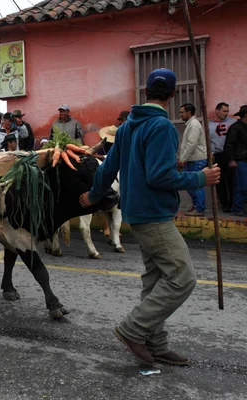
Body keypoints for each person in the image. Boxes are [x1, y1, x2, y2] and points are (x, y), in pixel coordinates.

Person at [79, 68, 220, 367]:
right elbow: (160, 175)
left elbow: (107, 167)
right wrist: (200, 178)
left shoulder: (128, 126)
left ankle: (156, 344)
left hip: (137, 213)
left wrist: (93, 194)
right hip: (154, 214)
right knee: (183, 279)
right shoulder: (162, 126)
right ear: (172, 96)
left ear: (146, 92)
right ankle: (133, 330)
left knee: (155, 280)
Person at [178, 103, 208, 216]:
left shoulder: (194, 124)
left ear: (189, 112)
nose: (180, 115)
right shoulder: (190, 124)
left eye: (182, 112)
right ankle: (197, 205)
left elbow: (191, 143)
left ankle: (199, 208)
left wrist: (182, 159)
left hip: (197, 159)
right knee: (188, 183)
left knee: (196, 184)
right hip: (193, 159)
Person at [209, 102, 236, 213]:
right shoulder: (209, 125)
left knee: (233, 181)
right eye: (224, 111)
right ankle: (224, 205)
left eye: (227, 111)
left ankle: (233, 204)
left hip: (231, 155)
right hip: (217, 155)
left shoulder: (233, 123)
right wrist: (210, 153)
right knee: (220, 182)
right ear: (217, 111)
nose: (226, 113)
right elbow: (207, 141)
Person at [224, 105, 247, 216]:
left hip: (244, 159)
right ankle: (237, 209)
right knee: (241, 186)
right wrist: (232, 159)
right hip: (240, 160)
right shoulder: (236, 127)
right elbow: (229, 145)